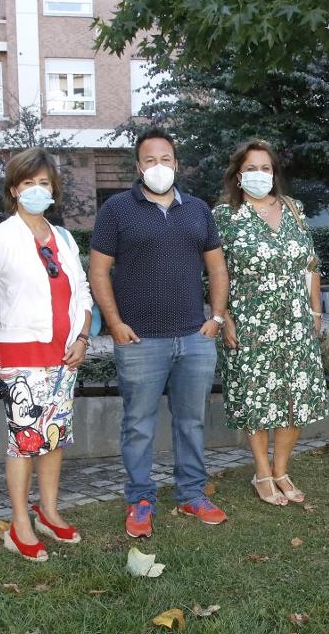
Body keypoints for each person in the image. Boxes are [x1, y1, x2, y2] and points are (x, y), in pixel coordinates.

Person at [88, 128, 231, 536]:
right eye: (149, 160)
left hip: (194, 338)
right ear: (138, 166)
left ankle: (192, 494)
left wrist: (216, 318)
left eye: (165, 159)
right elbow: (98, 271)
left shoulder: (198, 210)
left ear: (176, 163)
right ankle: (140, 499)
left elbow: (217, 268)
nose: (158, 167)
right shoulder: (116, 209)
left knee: (191, 422)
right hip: (139, 341)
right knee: (138, 424)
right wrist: (114, 323)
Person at [0, 148, 93, 562]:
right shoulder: (1, 237)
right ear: (14, 189)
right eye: (28, 182)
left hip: (65, 355)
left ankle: (48, 511)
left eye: (44, 183)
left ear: (53, 189)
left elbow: (82, 292)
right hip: (22, 355)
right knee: (24, 440)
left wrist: (82, 337)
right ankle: (19, 524)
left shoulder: (62, 237)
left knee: (53, 436)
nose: (36, 189)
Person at [212, 140, 327, 505]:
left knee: (297, 395)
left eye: (265, 168)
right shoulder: (224, 216)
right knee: (255, 397)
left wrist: (316, 311)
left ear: (274, 173)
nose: (258, 174)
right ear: (238, 175)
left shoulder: (294, 209)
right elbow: (214, 272)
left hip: (295, 320)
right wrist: (225, 318)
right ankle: (262, 472)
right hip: (249, 321)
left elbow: (311, 264)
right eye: (251, 168)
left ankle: (281, 469)